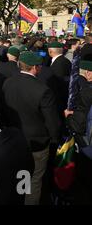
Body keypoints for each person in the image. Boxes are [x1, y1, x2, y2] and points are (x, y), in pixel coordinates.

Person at [2, 51, 61, 205]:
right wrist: (54, 141)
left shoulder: (8, 83)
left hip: (15, 140)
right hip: (37, 144)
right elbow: (52, 122)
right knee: (34, 180)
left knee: (21, 177)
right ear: (35, 68)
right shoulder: (42, 89)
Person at [65, 59, 92, 204]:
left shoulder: (87, 93)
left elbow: (78, 124)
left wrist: (68, 117)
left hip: (87, 147)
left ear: (88, 73)